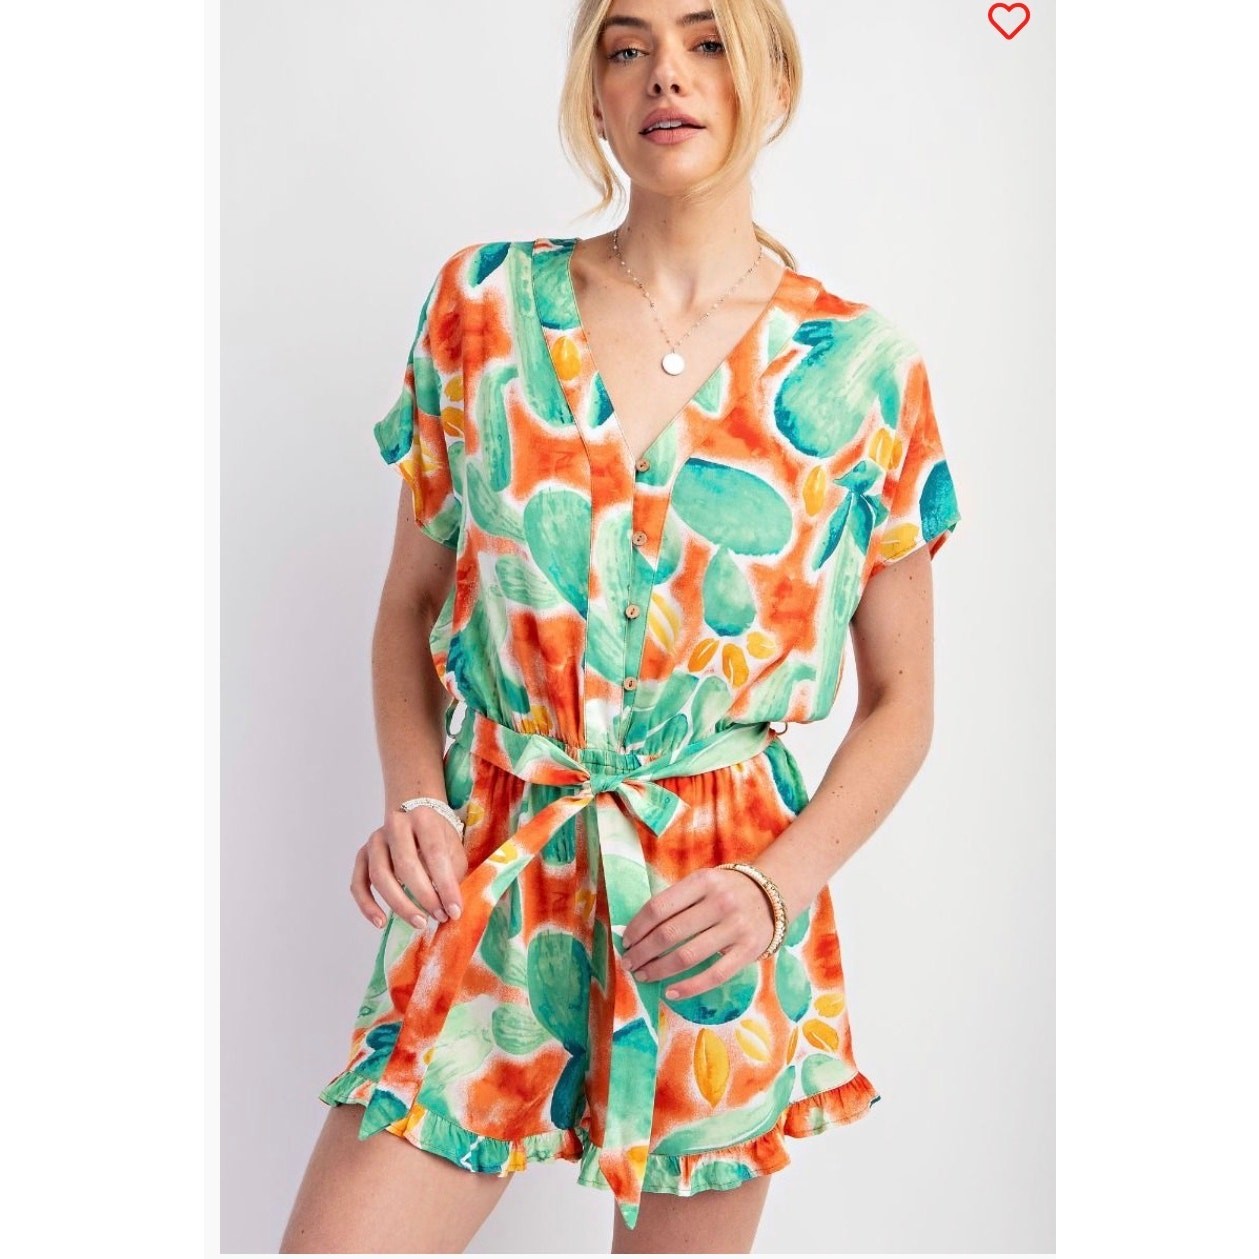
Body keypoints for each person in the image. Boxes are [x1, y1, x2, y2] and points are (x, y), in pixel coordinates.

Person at [280, 0, 961, 1252]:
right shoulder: (481, 305)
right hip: (493, 868)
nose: (665, 76)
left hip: (715, 902)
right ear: (593, 92)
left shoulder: (859, 368)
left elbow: (902, 700)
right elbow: (410, 602)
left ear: (771, 80)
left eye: (706, 42)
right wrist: (414, 791)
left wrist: (775, 886)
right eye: (626, 46)